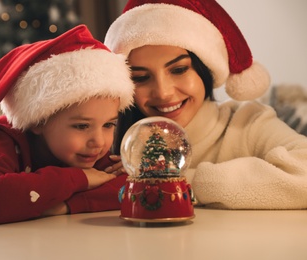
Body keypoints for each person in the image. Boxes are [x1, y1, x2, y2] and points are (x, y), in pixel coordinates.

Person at [0, 25, 135, 225]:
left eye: (108, 125)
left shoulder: (87, 151)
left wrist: (67, 206)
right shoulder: (1, 137)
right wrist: (80, 178)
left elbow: (131, 188)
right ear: (38, 122)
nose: (98, 141)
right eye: (81, 126)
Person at [104, 0, 307, 209]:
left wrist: (182, 182)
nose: (163, 93)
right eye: (141, 77)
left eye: (179, 70)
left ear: (205, 69)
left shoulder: (248, 122)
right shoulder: (110, 141)